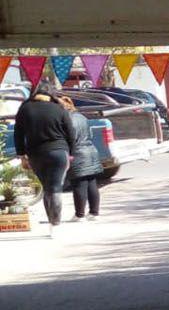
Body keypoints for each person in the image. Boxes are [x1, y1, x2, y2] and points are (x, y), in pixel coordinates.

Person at [12, 83, 78, 226]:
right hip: (59, 152)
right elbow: (71, 133)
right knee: (55, 187)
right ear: (51, 94)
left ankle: (51, 221)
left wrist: (22, 155)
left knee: (46, 187)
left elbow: (18, 134)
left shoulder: (25, 109)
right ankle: (55, 223)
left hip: (36, 153)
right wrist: (71, 153)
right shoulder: (59, 108)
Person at [61, 97, 104, 220]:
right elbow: (88, 134)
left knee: (79, 184)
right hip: (90, 151)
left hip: (78, 153)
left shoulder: (66, 119)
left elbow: (70, 139)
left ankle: (79, 215)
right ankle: (94, 213)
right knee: (91, 183)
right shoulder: (81, 117)